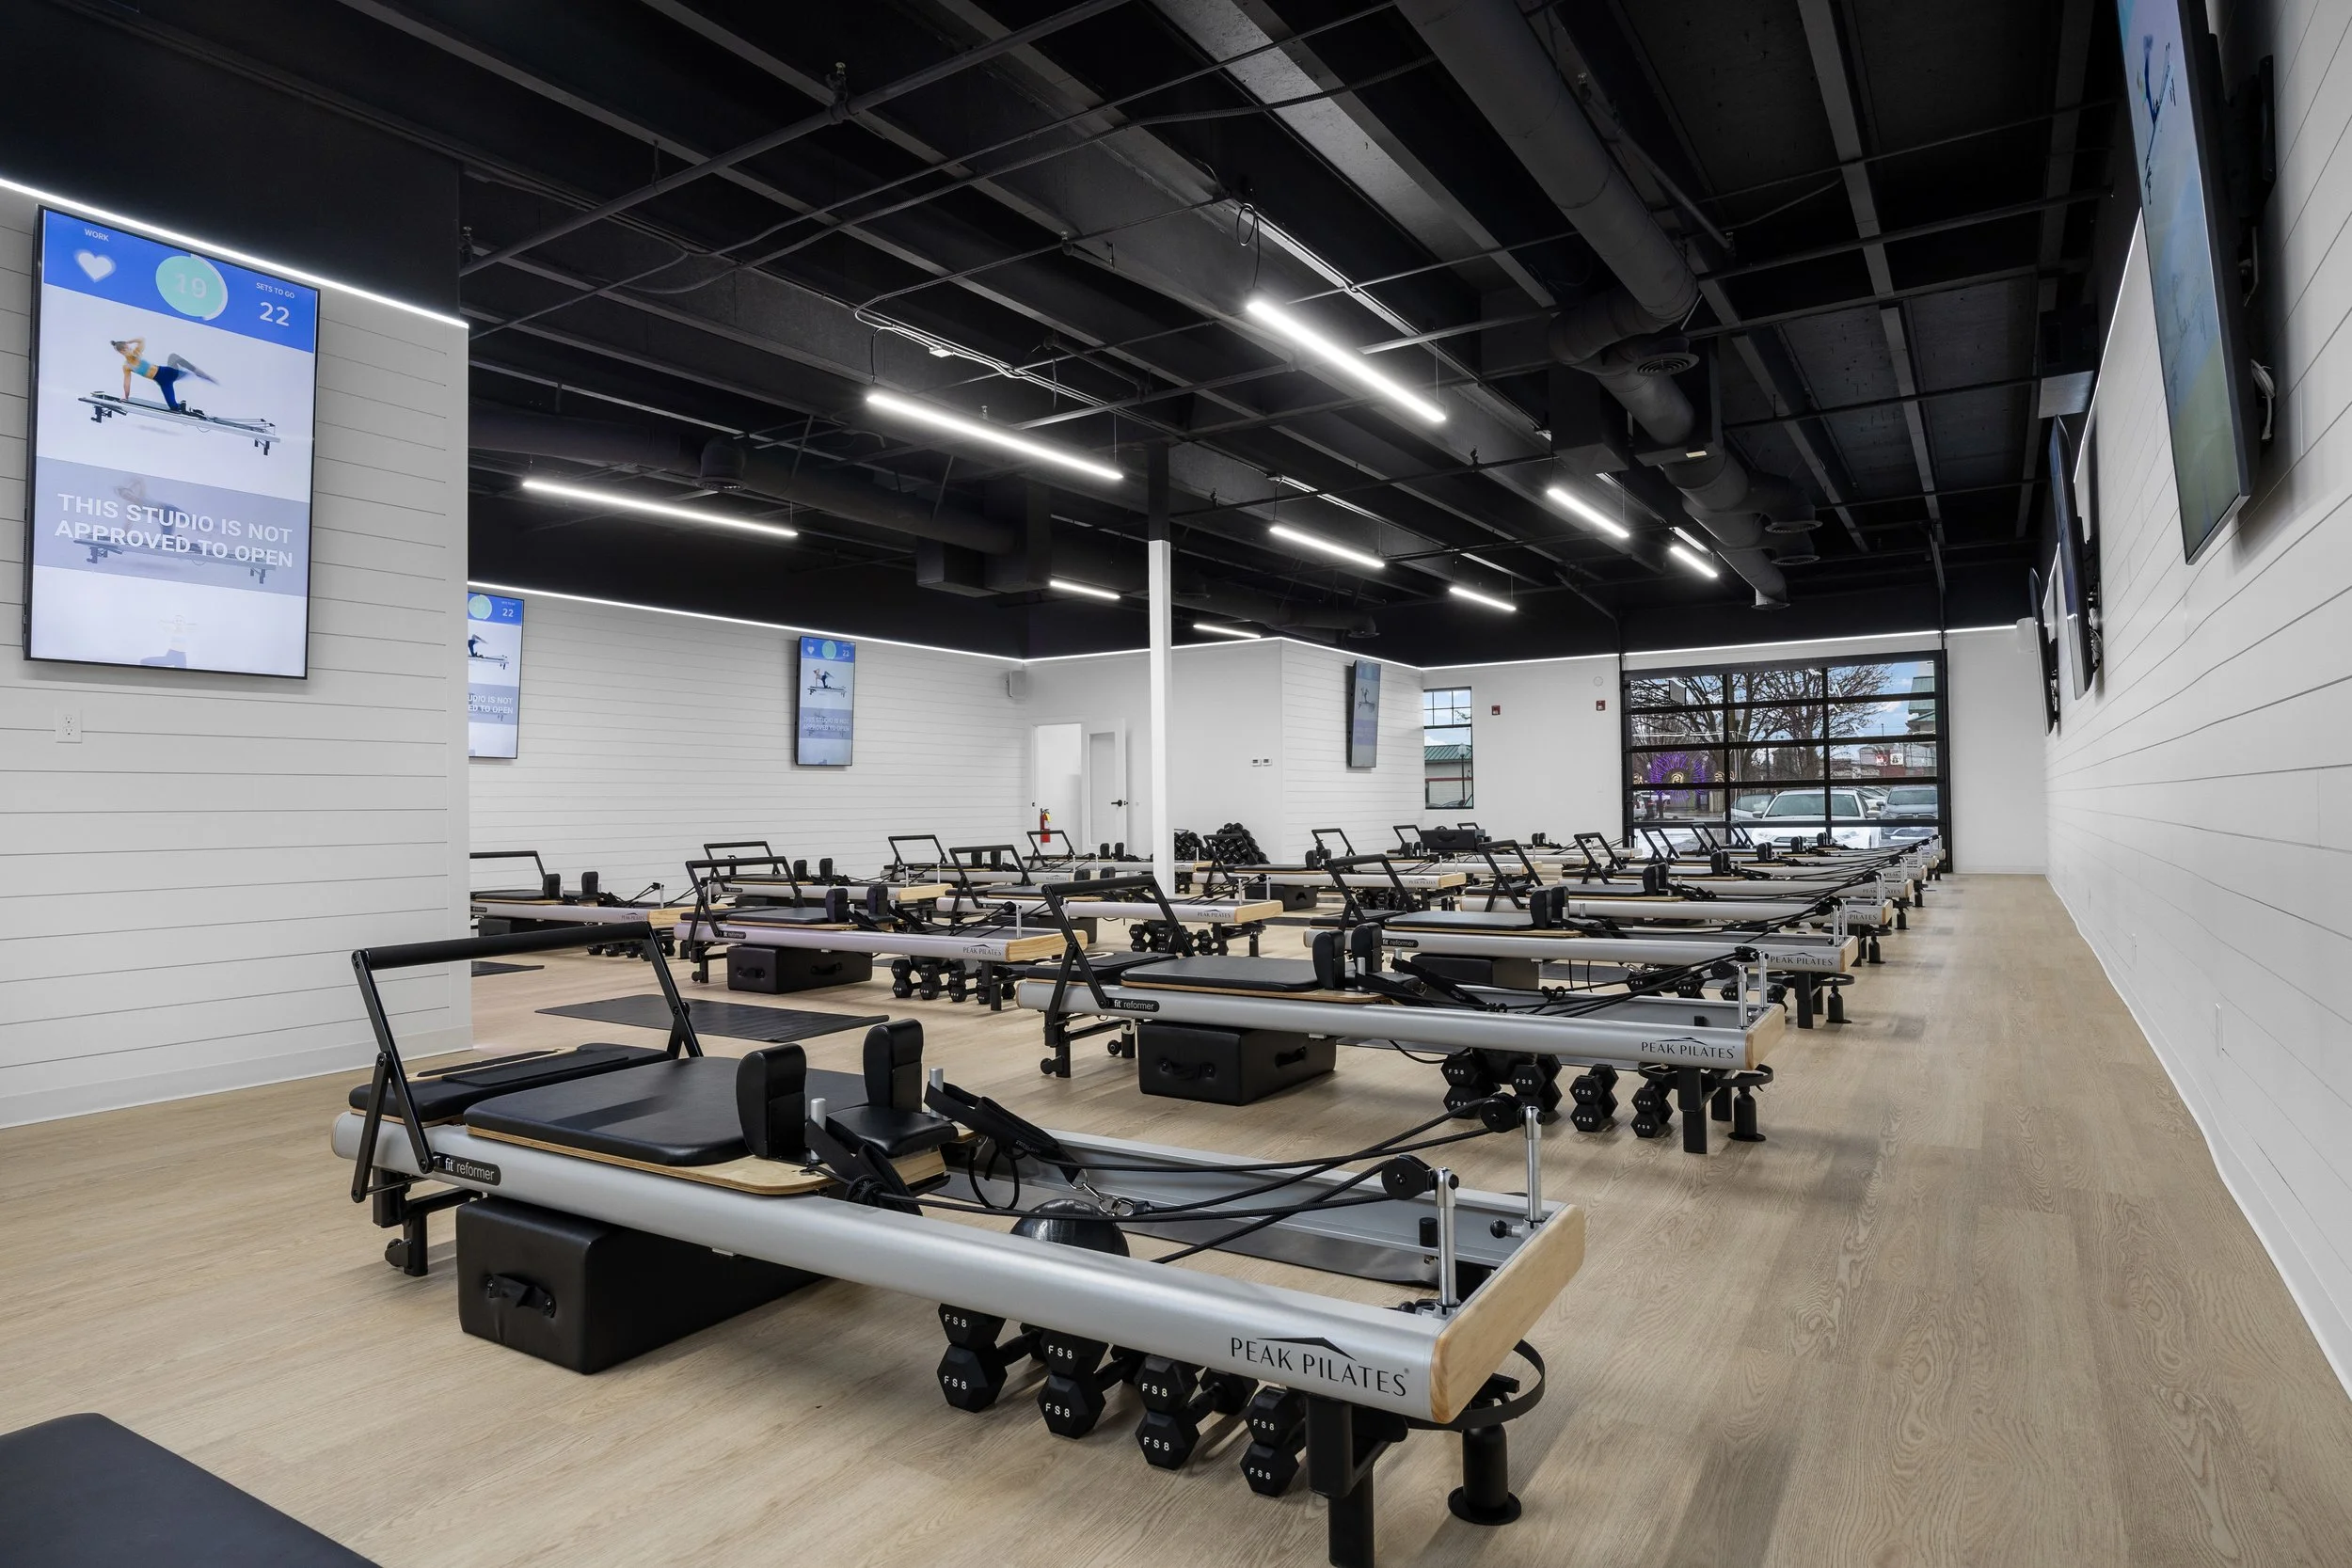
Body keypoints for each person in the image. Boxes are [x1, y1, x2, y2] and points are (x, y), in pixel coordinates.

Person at [111, 339, 214, 414]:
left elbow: (141, 340)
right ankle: (185, 407)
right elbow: (127, 383)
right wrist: (126, 396)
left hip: (167, 372)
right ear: (122, 352)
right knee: (173, 407)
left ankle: (201, 374)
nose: (130, 350)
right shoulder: (127, 366)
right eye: (127, 349)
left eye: (129, 348)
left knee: (181, 365)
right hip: (163, 382)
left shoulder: (136, 352)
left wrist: (128, 342)